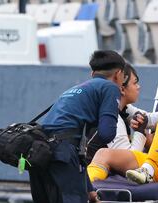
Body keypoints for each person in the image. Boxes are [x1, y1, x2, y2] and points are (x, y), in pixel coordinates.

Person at [29, 50, 127, 203]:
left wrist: (88, 190)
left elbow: (72, 146)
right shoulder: (110, 88)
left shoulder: (75, 90)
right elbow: (107, 133)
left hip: (39, 153)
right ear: (118, 73)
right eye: (124, 77)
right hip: (62, 155)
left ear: (92, 73)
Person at [86, 63, 153, 163]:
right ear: (122, 89)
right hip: (96, 175)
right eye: (135, 83)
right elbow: (130, 162)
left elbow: (150, 118)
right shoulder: (112, 119)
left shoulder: (120, 107)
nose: (138, 87)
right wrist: (140, 132)